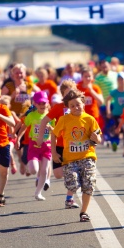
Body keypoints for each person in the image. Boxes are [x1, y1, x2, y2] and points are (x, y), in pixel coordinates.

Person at [51, 89, 102, 222]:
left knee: (89, 185)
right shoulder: (64, 119)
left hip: (88, 156)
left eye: (78, 104)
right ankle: (71, 194)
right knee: (73, 184)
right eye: (72, 106)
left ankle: (83, 212)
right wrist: (54, 152)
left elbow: (99, 138)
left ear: (83, 104)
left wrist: (96, 138)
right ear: (68, 107)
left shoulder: (89, 119)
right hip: (70, 160)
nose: (75, 108)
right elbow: (54, 134)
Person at [37, 79, 80, 208]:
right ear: (63, 95)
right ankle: (71, 177)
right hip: (59, 144)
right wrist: (40, 137)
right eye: (67, 94)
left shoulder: (79, 106)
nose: (70, 96)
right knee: (58, 174)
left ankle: (69, 199)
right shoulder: (58, 107)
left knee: (73, 174)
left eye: (72, 92)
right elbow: (44, 121)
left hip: (73, 145)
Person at [21, 91, 53, 201]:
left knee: (44, 170)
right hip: (34, 146)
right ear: (34, 103)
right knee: (34, 170)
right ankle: (30, 167)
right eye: (39, 103)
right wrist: (17, 139)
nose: (42, 105)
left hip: (47, 146)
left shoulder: (51, 116)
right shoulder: (31, 115)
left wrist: (51, 129)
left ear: (47, 103)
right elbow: (24, 127)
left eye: (44, 103)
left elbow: (56, 131)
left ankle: (38, 193)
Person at [105, 72, 124, 154]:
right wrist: (108, 111)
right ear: (117, 80)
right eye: (119, 79)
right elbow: (107, 100)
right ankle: (115, 143)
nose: (121, 81)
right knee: (118, 129)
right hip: (117, 114)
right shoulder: (115, 92)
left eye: (122, 79)